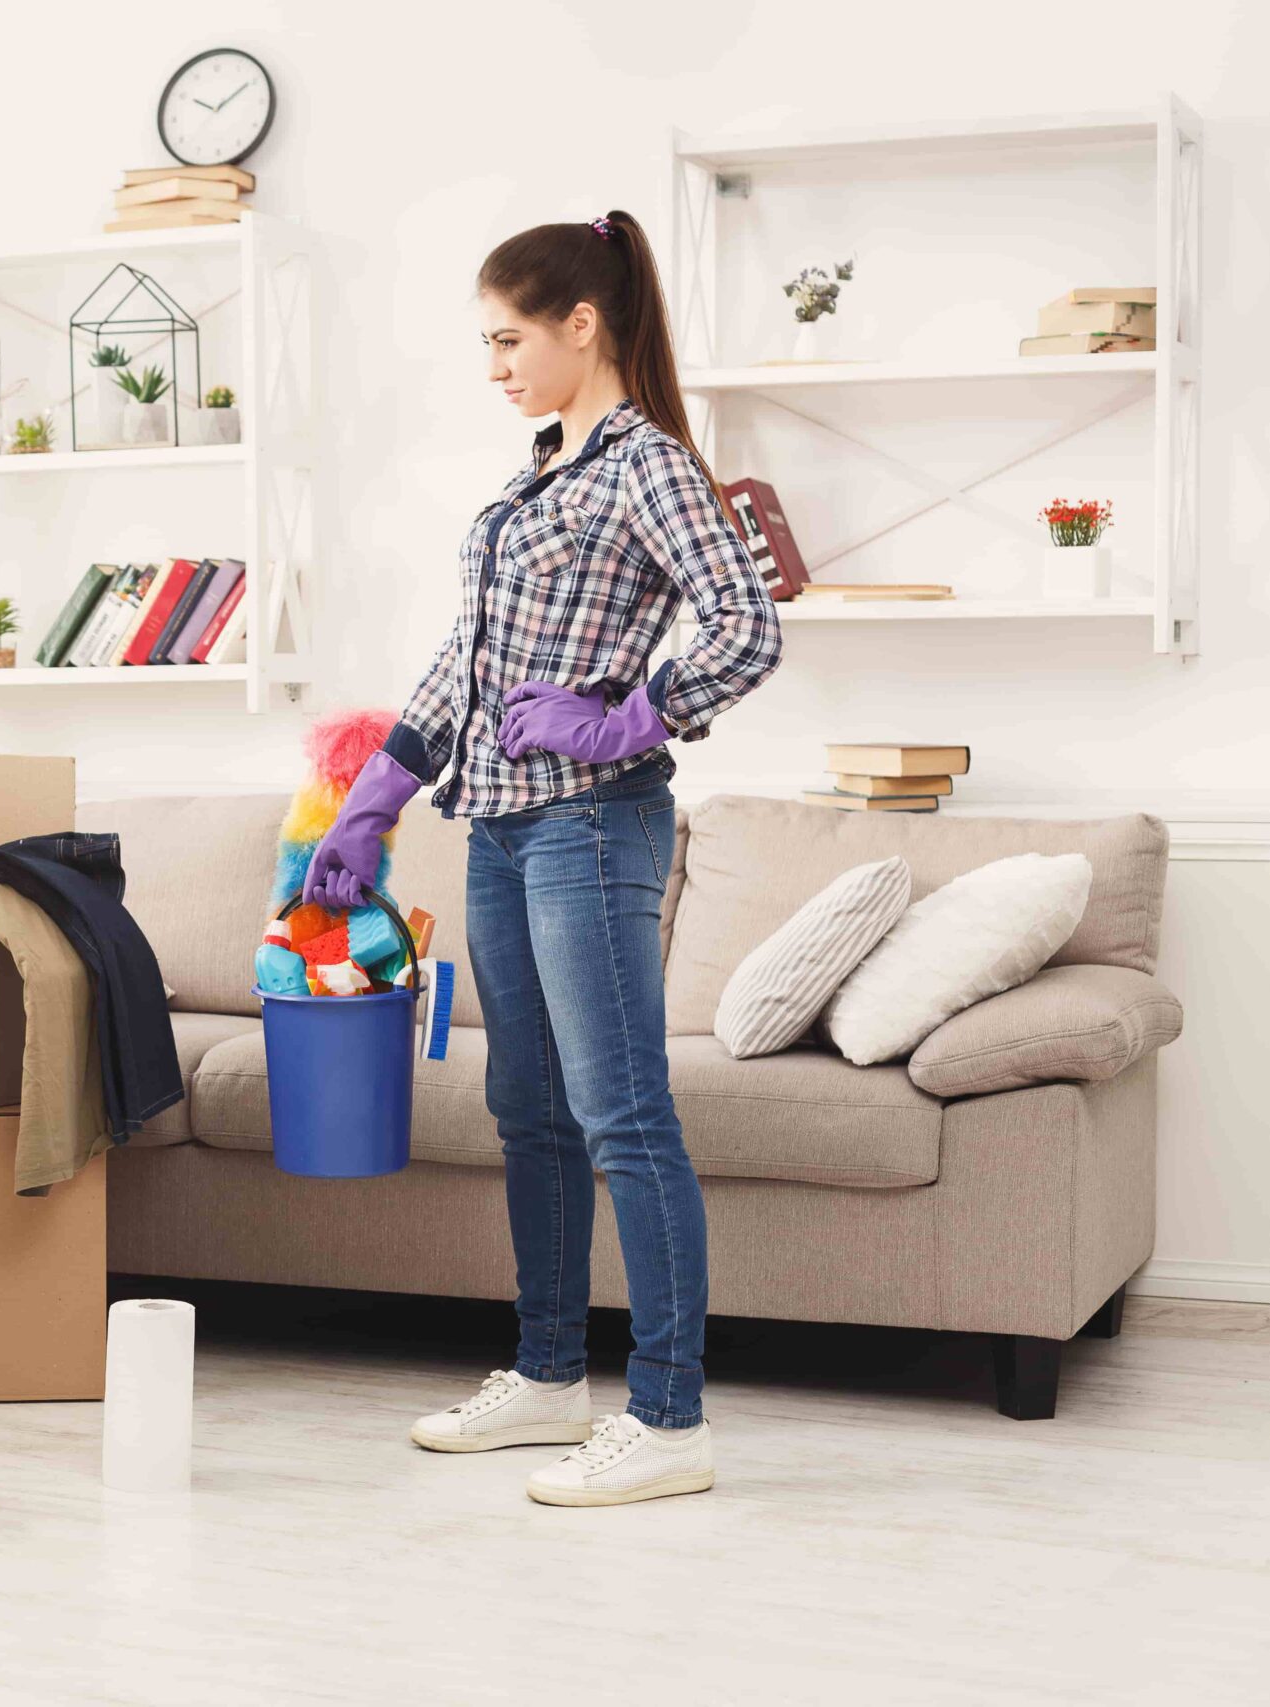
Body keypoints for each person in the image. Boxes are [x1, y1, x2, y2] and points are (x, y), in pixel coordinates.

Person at [302, 209, 783, 1507]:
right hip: (502, 831)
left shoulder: (649, 465)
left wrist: (630, 718)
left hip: (591, 826)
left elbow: (746, 624)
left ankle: (670, 1421)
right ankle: (550, 1376)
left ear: (583, 323)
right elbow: (465, 663)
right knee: (529, 1111)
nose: (496, 365)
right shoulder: (535, 476)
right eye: (485, 343)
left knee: (622, 1114)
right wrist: (378, 794)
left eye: (510, 339)